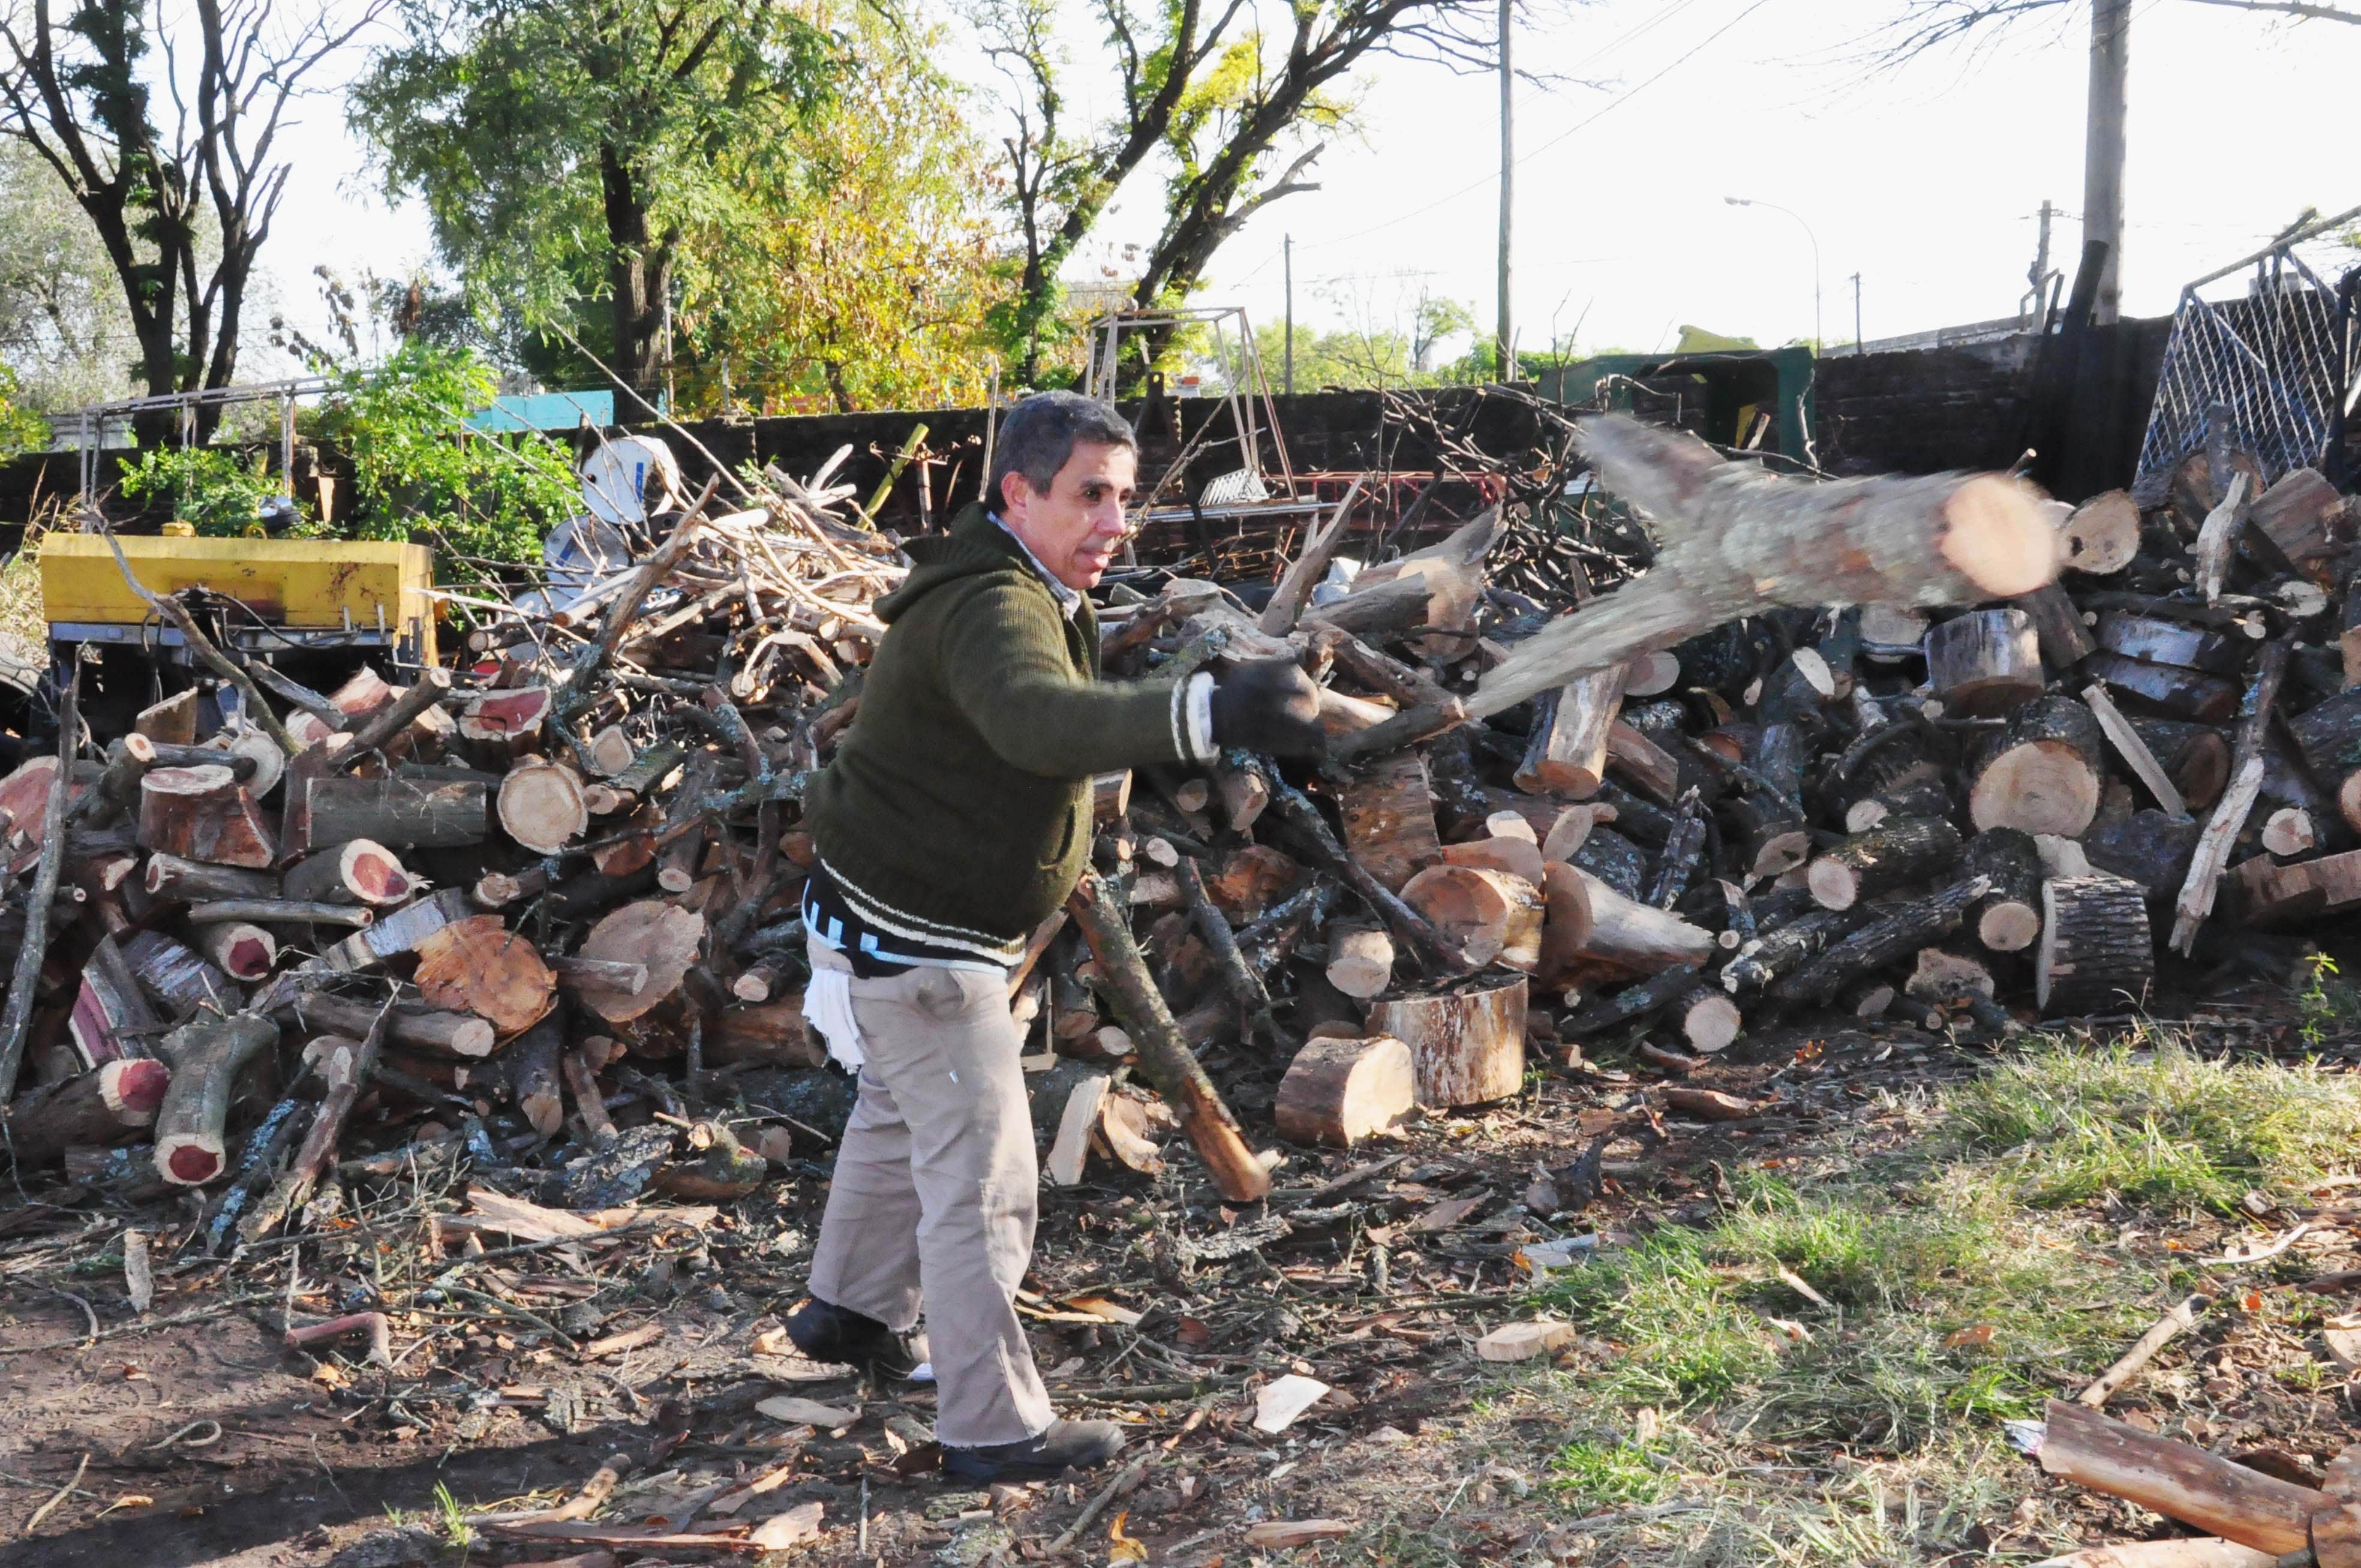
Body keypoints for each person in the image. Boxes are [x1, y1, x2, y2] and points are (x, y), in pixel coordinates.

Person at [786, 391, 1326, 1483]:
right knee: (984, 1173)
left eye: (1124, 498)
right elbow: (1037, 720)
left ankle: (846, 1313)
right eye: (1090, 495)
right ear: (1017, 493)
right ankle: (989, 1428)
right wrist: (1209, 711)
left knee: (899, 1113)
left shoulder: (1018, 579)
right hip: (919, 945)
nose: (1114, 522)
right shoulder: (990, 604)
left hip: (882, 915)